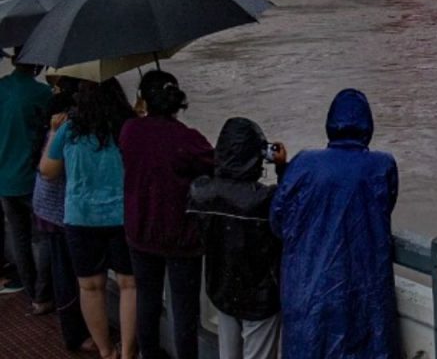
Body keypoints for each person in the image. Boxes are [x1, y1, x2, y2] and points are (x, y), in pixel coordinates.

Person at [270, 88, 399, 359]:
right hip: (364, 285)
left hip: (309, 285)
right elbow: (383, 207)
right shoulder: (382, 165)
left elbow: (278, 219)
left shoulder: (304, 162)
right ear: (368, 125)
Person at [120, 70, 215, 359]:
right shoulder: (187, 139)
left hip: (140, 230)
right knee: (185, 310)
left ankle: (149, 354)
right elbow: (215, 164)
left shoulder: (130, 131)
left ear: (144, 100)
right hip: (180, 235)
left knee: (147, 299)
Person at [40, 78, 137, 359]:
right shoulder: (127, 127)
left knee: (90, 286)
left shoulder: (70, 128)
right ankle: (129, 351)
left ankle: (106, 351)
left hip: (81, 218)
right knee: (129, 284)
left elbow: (48, 170)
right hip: (122, 216)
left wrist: (52, 132)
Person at [187, 118, 287, 359]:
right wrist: (282, 168)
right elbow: (290, 208)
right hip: (260, 296)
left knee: (228, 353)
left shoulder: (200, 192)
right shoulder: (265, 199)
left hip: (222, 288)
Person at [31, 75, 94, 351]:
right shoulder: (66, 126)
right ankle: (76, 334)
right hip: (60, 210)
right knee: (69, 274)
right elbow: (51, 169)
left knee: (60, 266)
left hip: (48, 207)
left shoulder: (57, 122)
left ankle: (43, 300)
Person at [0, 46, 52, 307]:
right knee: (46, 238)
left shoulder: (2, 88)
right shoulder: (41, 93)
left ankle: (31, 290)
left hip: (5, 179)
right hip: (32, 180)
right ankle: (44, 294)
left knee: (20, 237)